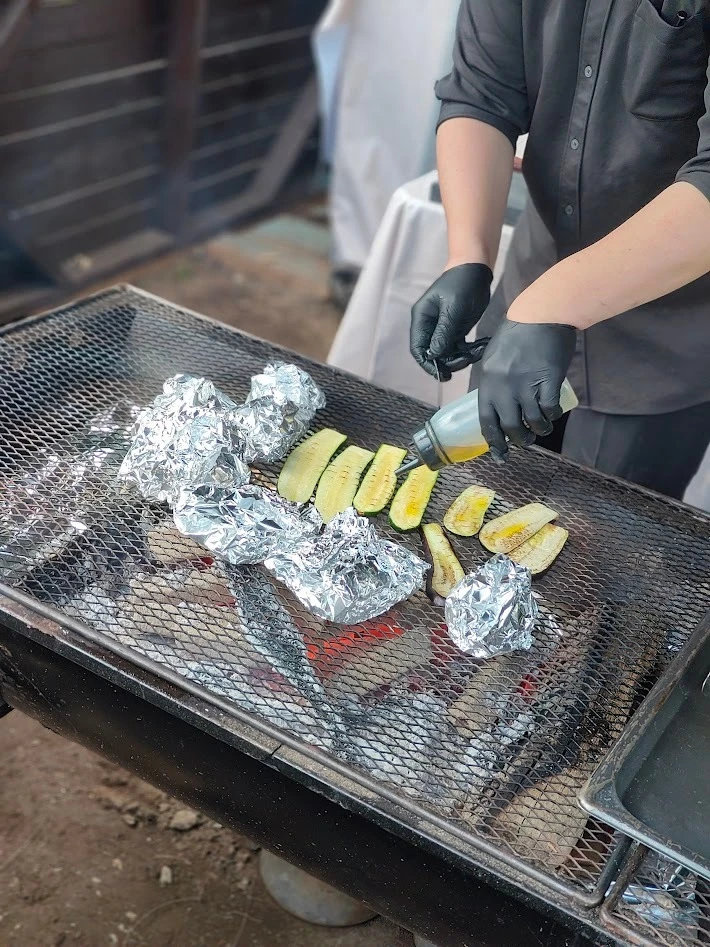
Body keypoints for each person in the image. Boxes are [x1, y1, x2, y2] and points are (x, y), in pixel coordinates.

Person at [410, 0, 710, 500]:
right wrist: (468, 253)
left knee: (599, 550)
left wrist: (552, 304)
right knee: (488, 503)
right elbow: (483, 91)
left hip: (666, 342)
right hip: (527, 300)